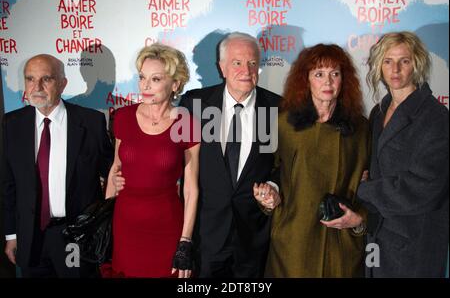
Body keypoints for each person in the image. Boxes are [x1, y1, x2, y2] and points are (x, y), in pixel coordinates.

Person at [257, 44, 370, 277]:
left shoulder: (361, 128)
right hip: (293, 243)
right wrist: (270, 194)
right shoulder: (282, 124)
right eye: (319, 74)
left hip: (342, 246)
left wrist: (359, 219)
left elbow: (372, 184)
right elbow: (271, 172)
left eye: (334, 74)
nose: (328, 82)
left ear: (344, 80)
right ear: (305, 80)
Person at [179, 32, 281, 277]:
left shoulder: (277, 108)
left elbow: (285, 164)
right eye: (237, 63)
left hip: (254, 238)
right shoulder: (194, 104)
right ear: (222, 67)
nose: (246, 70)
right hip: (206, 236)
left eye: (252, 63)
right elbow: (177, 163)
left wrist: (273, 185)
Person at [2, 54, 113, 277]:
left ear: (63, 84)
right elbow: (7, 184)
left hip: (75, 236)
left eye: (47, 79)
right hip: (31, 237)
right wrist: (11, 235)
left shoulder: (91, 122)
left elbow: (111, 172)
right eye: (30, 79)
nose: (37, 87)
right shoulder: (12, 124)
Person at [356, 31, 449, 278]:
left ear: (416, 64)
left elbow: (425, 187)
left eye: (404, 61)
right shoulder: (379, 110)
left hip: (416, 242)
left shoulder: (436, 118)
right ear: (379, 66)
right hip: (377, 238)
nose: (395, 69)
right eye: (388, 61)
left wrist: (365, 190)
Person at [104, 43, 200, 278]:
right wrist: (104, 219)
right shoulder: (123, 117)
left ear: (175, 84)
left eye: (155, 79)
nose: (145, 85)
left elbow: (190, 190)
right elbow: (115, 168)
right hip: (125, 226)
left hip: (167, 227)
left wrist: (185, 241)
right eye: (142, 77)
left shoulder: (186, 123)